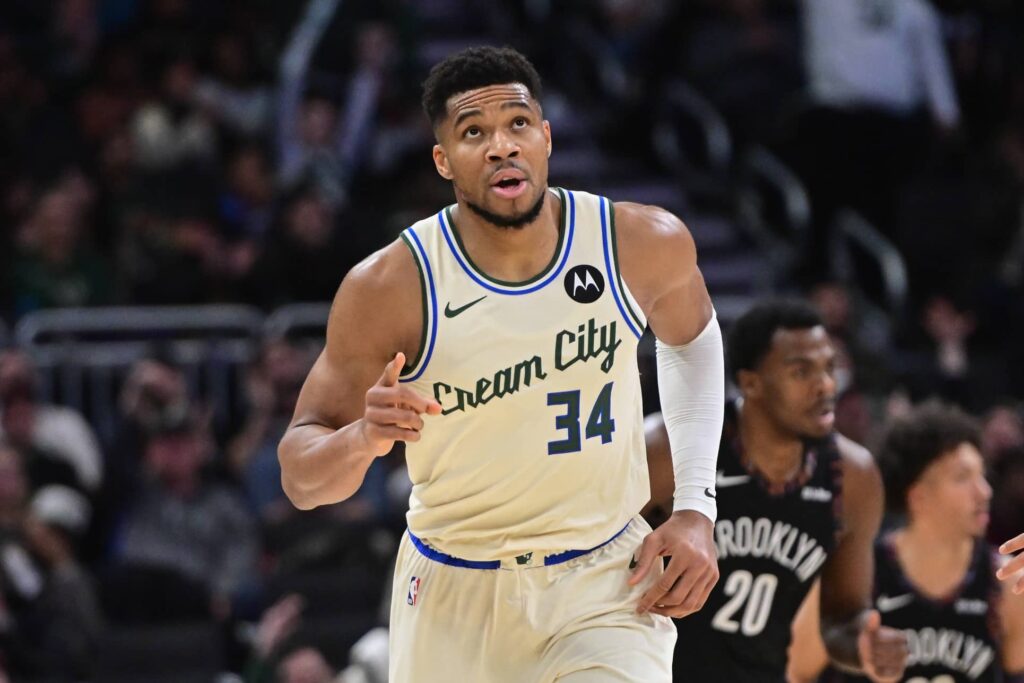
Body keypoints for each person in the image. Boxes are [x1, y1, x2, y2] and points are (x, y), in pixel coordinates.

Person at [279, 45, 725, 682]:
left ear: (546, 138)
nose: (501, 147)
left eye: (518, 124)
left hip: (602, 579)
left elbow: (693, 343)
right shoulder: (391, 287)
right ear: (443, 160)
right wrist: (363, 439)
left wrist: (696, 508)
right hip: (454, 588)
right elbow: (301, 477)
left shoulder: (637, 242)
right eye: (473, 133)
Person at [645, 299, 908, 681]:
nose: (825, 385)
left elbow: (842, 618)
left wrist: (864, 645)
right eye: (801, 372)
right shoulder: (668, 446)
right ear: (750, 383)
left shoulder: (853, 476)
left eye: (830, 368)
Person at [788, 402, 1024, 682]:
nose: (984, 491)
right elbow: (797, 671)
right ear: (918, 496)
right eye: (962, 478)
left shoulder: (1006, 582)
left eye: (982, 475)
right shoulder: (854, 572)